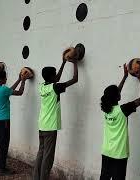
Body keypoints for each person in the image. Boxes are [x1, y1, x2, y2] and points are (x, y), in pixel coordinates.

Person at [33, 50, 79, 180]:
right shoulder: (55, 87)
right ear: (52, 77)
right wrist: (74, 63)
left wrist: (63, 63)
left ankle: (36, 177)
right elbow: (75, 79)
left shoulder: (42, 86)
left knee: (40, 154)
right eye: (54, 75)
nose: (56, 77)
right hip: (50, 127)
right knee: (48, 157)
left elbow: (56, 79)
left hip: (42, 125)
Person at [100, 64, 140, 180]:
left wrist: (125, 77)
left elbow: (115, 93)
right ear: (117, 97)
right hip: (119, 153)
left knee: (104, 178)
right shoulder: (123, 110)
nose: (120, 93)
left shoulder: (106, 109)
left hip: (107, 151)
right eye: (118, 93)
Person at [0, 70, 29, 176]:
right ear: (1, 79)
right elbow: (19, 92)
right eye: (5, 78)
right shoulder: (4, 90)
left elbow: (9, 90)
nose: (6, 79)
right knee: (4, 143)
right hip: (4, 120)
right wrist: (23, 81)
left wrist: (19, 79)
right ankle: (2, 169)